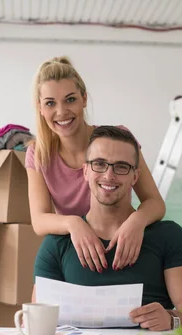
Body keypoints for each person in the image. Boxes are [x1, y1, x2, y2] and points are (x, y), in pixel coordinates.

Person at [31, 126, 182, 331]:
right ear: (85, 171)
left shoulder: (168, 236)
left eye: (121, 167)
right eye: (99, 164)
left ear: (135, 176)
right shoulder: (57, 244)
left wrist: (172, 319)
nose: (109, 175)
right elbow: (37, 322)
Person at [25, 56, 166, 273]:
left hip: (124, 244)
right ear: (40, 108)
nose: (61, 112)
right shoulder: (38, 154)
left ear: (84, 98)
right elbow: (39, 221)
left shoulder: (118, 139)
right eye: (50, 103)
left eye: (70, 99)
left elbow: (155, 202)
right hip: (79, 251)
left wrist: (136, 221)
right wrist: (74, 224)